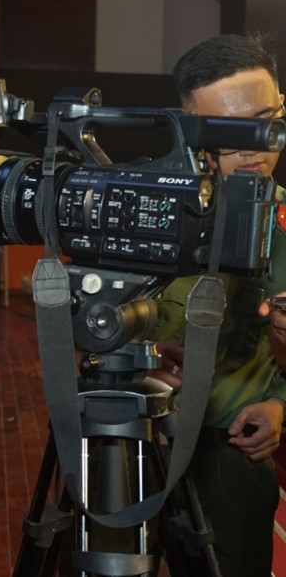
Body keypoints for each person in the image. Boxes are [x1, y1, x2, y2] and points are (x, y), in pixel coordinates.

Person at [150, 33, 286, 576]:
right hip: (129, 444)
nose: (251, 148)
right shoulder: (149, 210)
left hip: (229, 457)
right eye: (228, 134)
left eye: (263, 122)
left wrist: (280, 407)